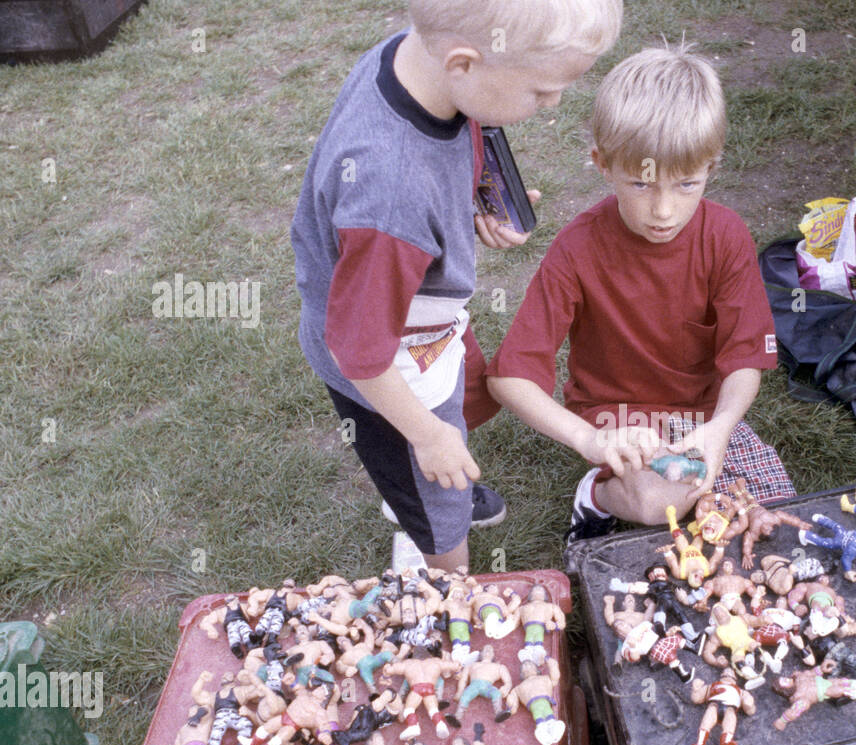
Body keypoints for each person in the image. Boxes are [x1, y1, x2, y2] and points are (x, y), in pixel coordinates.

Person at [292, 0, 623, 570]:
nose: (553, 104)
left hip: (420, 317)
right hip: (391, 365)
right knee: (437, 492)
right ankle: (438, 564)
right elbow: (360, 352)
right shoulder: (390, 196)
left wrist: (464, 208)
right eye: (541, 91)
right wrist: (426, 436)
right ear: (464, 64)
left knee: (466, 401)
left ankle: (430, 492)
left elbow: (448, 149)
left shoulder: (415, 60)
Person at [486, 44, 794, 541]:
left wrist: (720, 428)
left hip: (702, 421)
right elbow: (508, 376)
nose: (664, 211)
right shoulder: (577, 248)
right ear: (602, 164)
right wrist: (589, 438)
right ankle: (596, 496)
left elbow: (745, 360)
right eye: (641, 184)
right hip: (617, 419)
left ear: (711, 168)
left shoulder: (727, 235)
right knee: (659, 501)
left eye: (687, 185)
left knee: (770, 512)